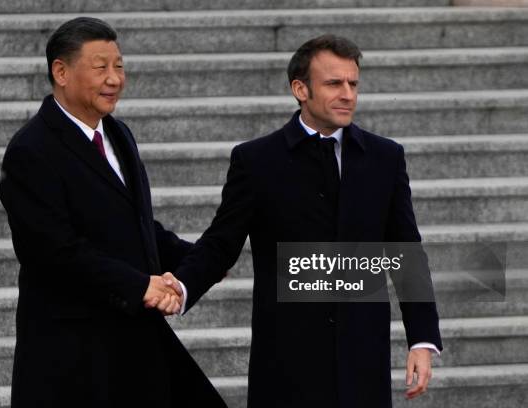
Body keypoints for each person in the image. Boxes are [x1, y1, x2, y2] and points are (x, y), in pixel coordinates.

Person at [174, 34, 443, 407]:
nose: (347, 93)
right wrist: (182, 286)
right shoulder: (256, 161)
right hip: (286, 358)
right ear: (300, 89)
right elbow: (221, 242)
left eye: (353, 83)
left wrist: (422, 338)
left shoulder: (385, 158)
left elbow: (406, 250)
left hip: (361, 354)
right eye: (334, 83)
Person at [0, 17, 227, 408]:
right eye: (101, 67)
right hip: (74, 353)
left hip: (134, 340)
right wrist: (140, 285)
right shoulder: (31, 151)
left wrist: (195, 258)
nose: (115, 78)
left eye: (119, 66)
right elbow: (56, 252)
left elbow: (135, 224)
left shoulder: (118, 133)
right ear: (61, 72)